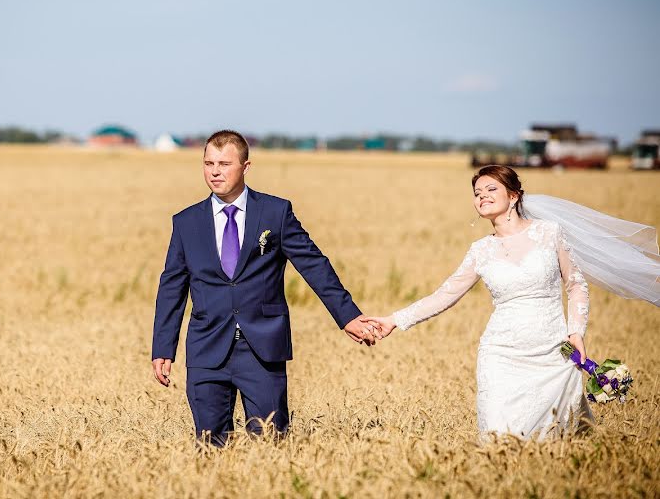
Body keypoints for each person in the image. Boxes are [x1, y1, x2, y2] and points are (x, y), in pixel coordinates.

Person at [150, 130, 380, 446]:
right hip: (206, 348)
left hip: (262, 348)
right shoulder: (186, 222)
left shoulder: (275, 212)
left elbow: (314, 265)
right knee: (210, 444)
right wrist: (163, 347)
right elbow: (172, 286)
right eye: (209, 163)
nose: (215, 171)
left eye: (225, 163)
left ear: (245, 166)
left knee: (270, 442)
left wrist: (348, 316)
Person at [368, 165, 594, 440]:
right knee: (498, 438)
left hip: (552, 352)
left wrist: (576, 333)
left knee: (555, 439)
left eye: (491, 189)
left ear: (514, 196)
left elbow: (576, 285)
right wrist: (394, 320)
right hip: (501, 355)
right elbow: (445, 295)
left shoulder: (549, 233)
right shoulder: (481, 251)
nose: (482, 196)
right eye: (477, 193)